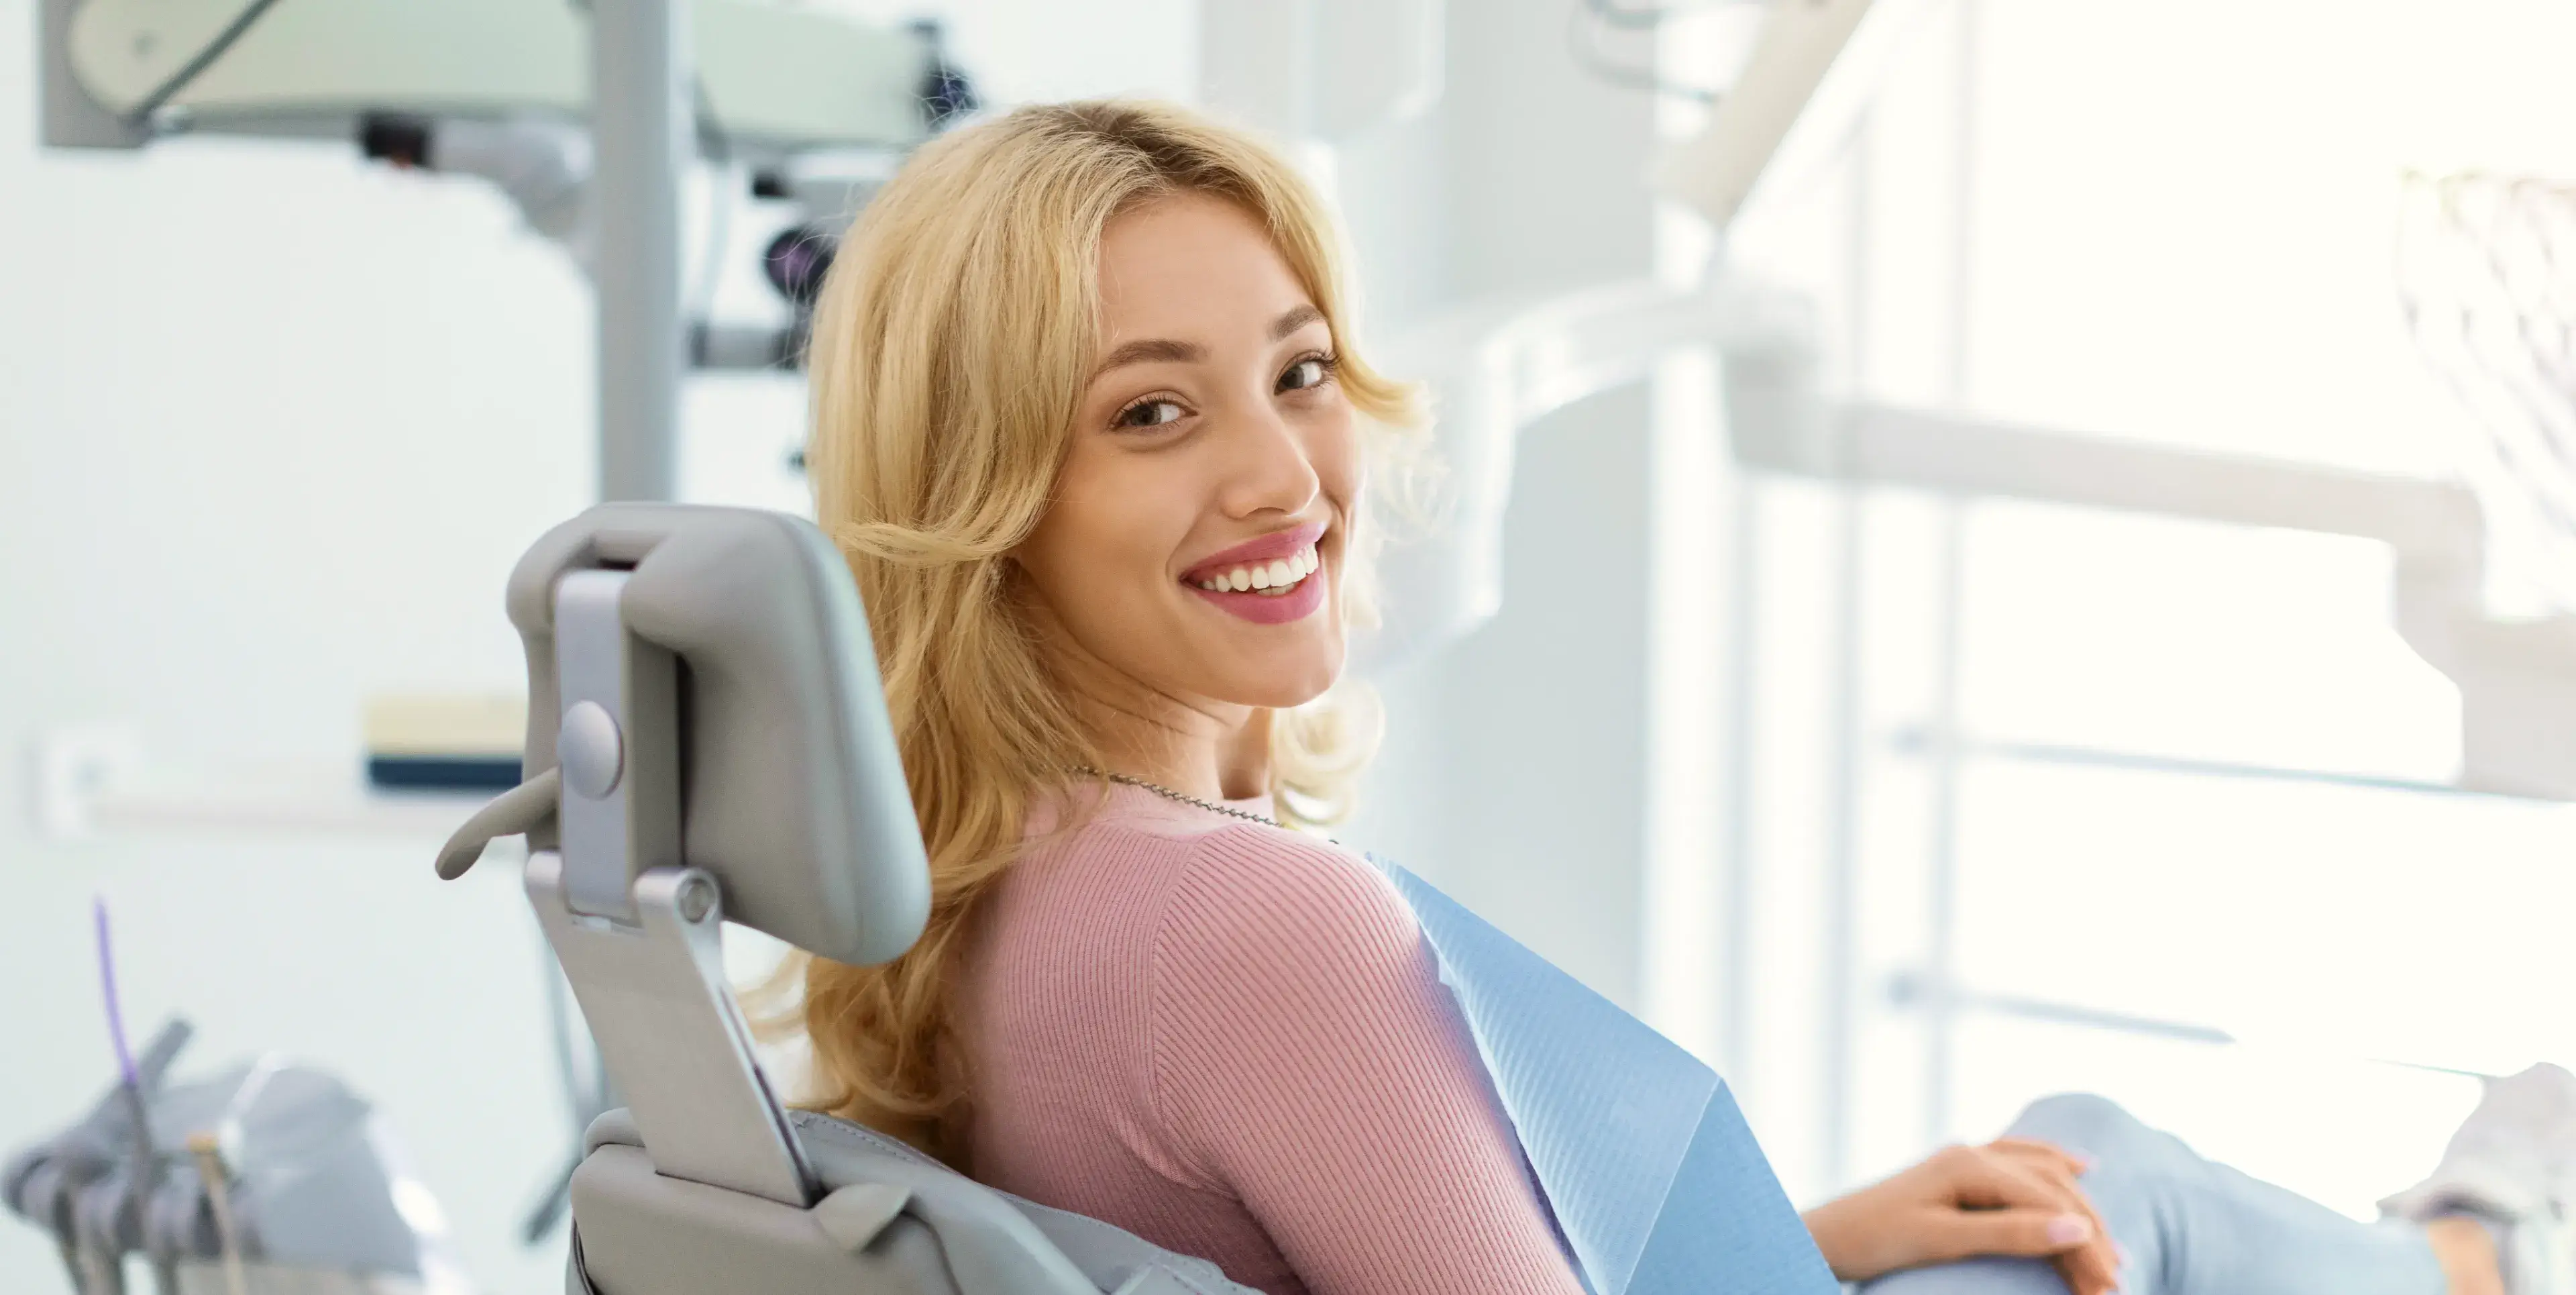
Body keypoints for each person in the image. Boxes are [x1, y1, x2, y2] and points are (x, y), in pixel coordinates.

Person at [780, 97, 2573, 1295]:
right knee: (2101, 1184)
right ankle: (2480, 1247)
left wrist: (1815, 1247)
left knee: (2037, 1176)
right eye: (1153, 413)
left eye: (1301, 372)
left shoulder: (991, 883)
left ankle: (2462, 1233)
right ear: (988, 491)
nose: (1287, 479)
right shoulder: (1260, 930)